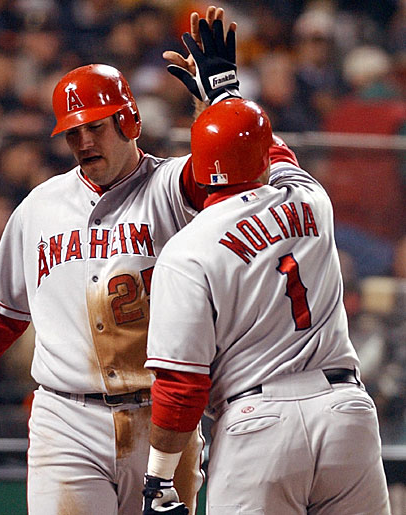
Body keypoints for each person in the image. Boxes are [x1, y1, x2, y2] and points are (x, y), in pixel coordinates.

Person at [0, 6, 247, 514]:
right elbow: (0, 313)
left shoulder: (171, 187)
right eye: (73, 132)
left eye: (95, 127)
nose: (84, 142)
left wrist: (221, 102)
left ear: (128, 120)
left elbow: (228, 169)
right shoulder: (39, 207)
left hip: (162, 419)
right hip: (66, 418)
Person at [141, 100, 391, 513]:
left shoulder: (186, 251)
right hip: (346, 412)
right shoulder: (310, 198)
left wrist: (159, 478)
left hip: (257, 423)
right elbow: (279, 154)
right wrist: (225, 97)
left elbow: (181, 385)